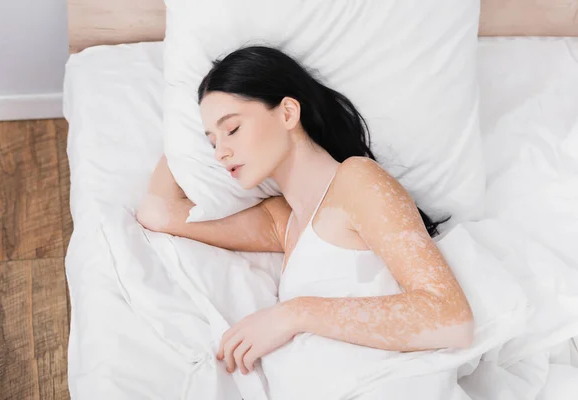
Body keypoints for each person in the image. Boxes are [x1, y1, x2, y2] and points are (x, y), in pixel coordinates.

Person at [136, 45, 474, 378]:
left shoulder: (357, 181)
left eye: (233, 129)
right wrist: (180, 137)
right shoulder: (281, 222)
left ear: (287, 113)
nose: (220, 153)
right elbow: (158, 212)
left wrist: (294, 314)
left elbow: (450, 318)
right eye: (211, 141)